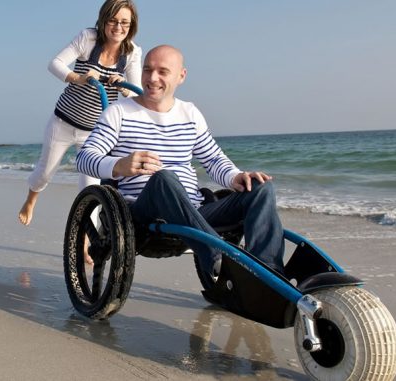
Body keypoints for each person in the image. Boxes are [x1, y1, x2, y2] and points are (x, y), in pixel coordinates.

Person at [75, 45, 285, 282]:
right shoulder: (119, 112)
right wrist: (119, 165)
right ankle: (219, 258)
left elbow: (213, 158)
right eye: (147, 70)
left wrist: (235, 176)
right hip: (142, 213)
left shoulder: (190, 113)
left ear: (181, 76)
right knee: (164, 178)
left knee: (260, 187)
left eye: (163, 71)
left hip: (194, 210)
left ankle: (269, 276)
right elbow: (84, 158)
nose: (153, 78)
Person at [18, 0, 142, 227]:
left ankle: (85, 239)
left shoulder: (132, 52)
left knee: (91, 190)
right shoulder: (88, 38)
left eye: (124, 22)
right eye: (113, 21)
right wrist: (78, 78)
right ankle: (31, 199)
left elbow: (136, 97)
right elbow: (55, 64)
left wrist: (123, 85)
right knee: (44, 174)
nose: (118, 27)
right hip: (63, 122)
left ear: (131, 25)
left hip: (95, 133)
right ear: (104, 20)